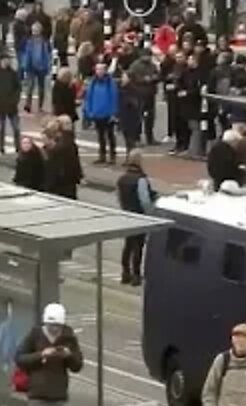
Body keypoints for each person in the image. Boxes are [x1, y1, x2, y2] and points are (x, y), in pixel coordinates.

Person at [115, 150, 157, 285]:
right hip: (139, 216)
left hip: (127, 214)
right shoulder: (141, 180)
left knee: (127, 245)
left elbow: (119, 197)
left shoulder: (122, 179)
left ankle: (125, 272)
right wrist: (150, 214)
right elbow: (144, 200)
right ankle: (136, 275)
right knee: (138, 246)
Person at [82, 62, 118, 164]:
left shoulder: (110, 83)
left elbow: (114, 98)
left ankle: (112, 155)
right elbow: (89, 98)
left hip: (108, 113)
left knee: (110, 135)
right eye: (97, 69)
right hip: (97, 113)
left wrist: (113, 113)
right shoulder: (93, 83)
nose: (99, 71)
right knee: (100, 135)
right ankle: (102, 155)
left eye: (101, 69)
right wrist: (89, 111)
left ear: (105, 71)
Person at [0, 54, 22, 158]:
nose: (7, 62)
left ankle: (18, 148)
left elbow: (18, 88)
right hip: (0, 106)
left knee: (16, 128)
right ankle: (1, 148)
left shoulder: (13, 73)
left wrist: (15, 100)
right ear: (1, 61)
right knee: (1, 128)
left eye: (8, 60)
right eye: (5, 60)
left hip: (12, 106)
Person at [19, 22, 53, 113]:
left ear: (40, 31)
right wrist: (24, 64)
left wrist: (48, 65)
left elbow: (49, 54)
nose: (35, 32)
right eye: (34, 30)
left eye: (37, 30)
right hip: (31, 66)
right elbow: (23, 52)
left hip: (42, 66)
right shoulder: (27, 40)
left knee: (41, 87)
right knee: (30, 86)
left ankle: (40, 106)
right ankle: (28, 104)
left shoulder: (45, 41)